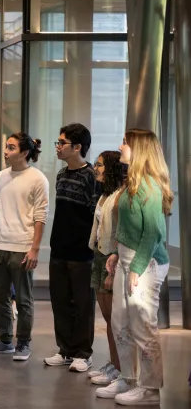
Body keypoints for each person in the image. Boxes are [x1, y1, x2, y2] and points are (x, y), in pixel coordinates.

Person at [96, 129, 173, 406]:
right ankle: (127, 378)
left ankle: (150, 389)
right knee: (120, 322)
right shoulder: (132, 184)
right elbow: (129, 228)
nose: (121, 146)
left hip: (147, 262)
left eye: (126, 143)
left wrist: (137, 269)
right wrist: (117, 253)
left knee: (142, 325)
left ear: (139, 149)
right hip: (129, 259)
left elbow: (152, 234)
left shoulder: (149, 186)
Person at [0, 133, 48, 361]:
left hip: (22, 247)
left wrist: (35, 248)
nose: (6, 151)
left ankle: (24, 343)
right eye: (6, 147)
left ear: (24, 152)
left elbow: (41, 217)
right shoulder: (0, 177)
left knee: (24, 298)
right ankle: (6, 340)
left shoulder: (38, 179)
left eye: (11, 147)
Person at [44, 123, 99, 372]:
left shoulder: (92, 177)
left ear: (77, 147)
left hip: (83, 253)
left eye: (61, 143)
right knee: (60, 302)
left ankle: (82, 353)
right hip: (60, 249)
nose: (57, 147)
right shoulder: (61, 175)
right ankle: (65, 350)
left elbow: (95, 217)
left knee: (83, 304)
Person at [86, 151, 125, 385]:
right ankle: (114, 363)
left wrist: (114, 259)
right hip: (99, 255)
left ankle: (121, 367)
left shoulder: (120, 196)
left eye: (100, 165)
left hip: (112, 257)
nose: (96, 169)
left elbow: (119, 232)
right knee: (108, 317)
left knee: (115, 319)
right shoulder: (103, 195)